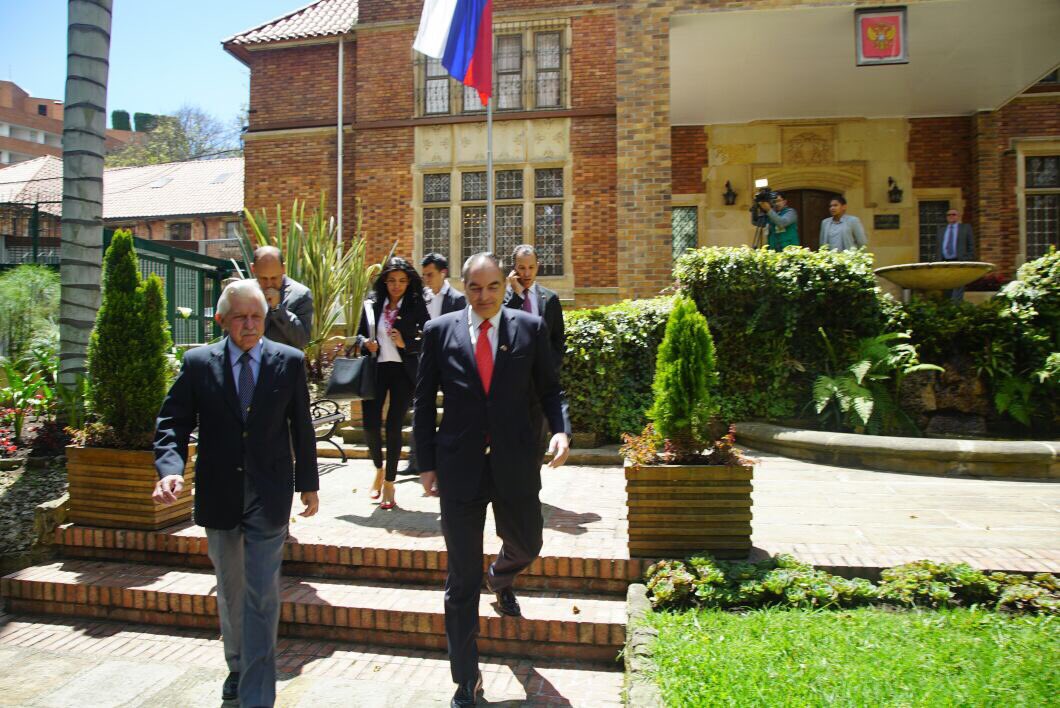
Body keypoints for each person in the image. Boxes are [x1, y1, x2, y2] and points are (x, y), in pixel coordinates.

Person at [413, 252, 572, 708]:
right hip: (459, 467)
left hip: (515, 463)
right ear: (462, 287)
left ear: (506, 285)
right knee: (460, 580)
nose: (484, 297)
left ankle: (500, 576)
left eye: (493, 287)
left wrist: (560, 429)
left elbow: (550, 388)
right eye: (475, 288)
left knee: (528, 544)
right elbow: (424, 402)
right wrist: (425, 462)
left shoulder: (529, 328)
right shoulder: (441, 331)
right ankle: (466, 681)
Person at [152, 279, 319, 707]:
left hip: (269, 493)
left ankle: (257, 694)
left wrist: (309, 485)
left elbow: (301, 427)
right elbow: (171, 424)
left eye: (257, 317)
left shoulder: (290, 361)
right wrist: (170, 470)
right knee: (230, 590)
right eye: (241, 317)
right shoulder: (198, 363)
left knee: (262, 592)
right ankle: (238, 665)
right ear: (222, 320)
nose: (250, 325)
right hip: (220, 492)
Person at [356, 257, 430, 509]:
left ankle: (389, 482)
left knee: (394, 427)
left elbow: (429, 337)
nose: (396, 286)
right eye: (392, 281)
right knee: (370, 425)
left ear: (409, 281)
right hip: (376, 370)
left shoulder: (416, 304)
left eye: (402, 281)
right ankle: (378, 467)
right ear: (384, 281)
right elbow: (358, 334)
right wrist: (365, 343)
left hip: (403, 371)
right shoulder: (373, 303)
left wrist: (406, 344)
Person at [399, 252, 467, 476]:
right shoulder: (421, 299)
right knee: (420, 411)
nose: (426, 279)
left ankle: (447, 459)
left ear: (443, 273)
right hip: (424, 363)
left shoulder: (458, 300)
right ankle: (415, 461)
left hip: (449, 364)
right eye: (424, 275)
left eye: (430, 274)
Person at [502, 244, 565, 371]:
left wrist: (553, 365)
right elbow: (502, 327)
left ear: (537, 266)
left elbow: (558, 338)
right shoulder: (502, 298)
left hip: (543, 375)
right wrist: (517, 295)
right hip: (513, 373)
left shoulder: (550, 298)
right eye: (521, 268)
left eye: (531, 267)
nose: (527, 273)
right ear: (514, 269)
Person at [251, 245, 314, 349]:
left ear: (283, 268)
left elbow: (302, 340)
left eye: (274, 278)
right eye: (263, 278)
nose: (269, 284)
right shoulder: (244, 294)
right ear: (253, 269)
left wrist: (277, 309)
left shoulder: (301, 295)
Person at [934, 207, 975, 301]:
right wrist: (937, 261)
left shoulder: (965, 228)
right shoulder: (941, 230)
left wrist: (968, 258)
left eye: (953, 214)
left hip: (959, 261)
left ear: (958, 216)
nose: (951, 216)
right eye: (949, 215)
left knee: (958, 285)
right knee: (946, 284)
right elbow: (938, 247)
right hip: (944, 262)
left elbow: (971, 245)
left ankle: (956, 308)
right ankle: (947, 306)